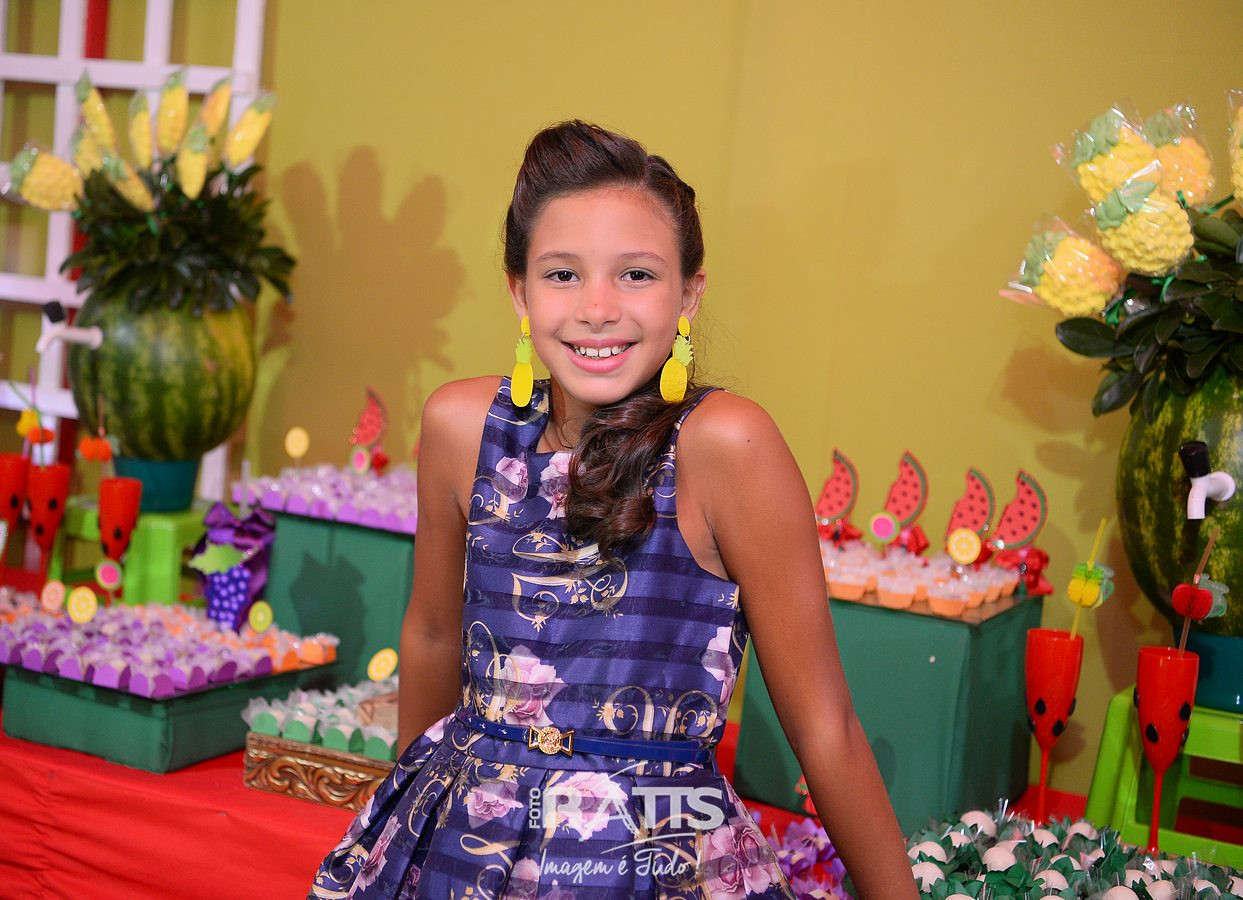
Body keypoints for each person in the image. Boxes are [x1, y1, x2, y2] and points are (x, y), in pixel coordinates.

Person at [310, 121, 916, 899]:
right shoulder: (461, 427)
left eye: (635, 274)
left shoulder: (725, 446)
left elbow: (823, 724)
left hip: (655, 849)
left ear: (688, 292)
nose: (597, 308)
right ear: (519, 291)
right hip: (467, 841)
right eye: (563, 274)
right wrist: (410, 823)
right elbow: (431, 631)